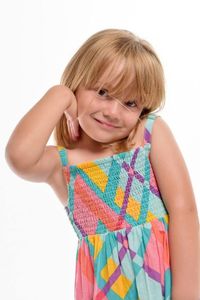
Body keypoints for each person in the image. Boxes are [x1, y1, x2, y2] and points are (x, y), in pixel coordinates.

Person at [5, 28, 200, 300]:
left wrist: (188, 295)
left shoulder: (147, 135)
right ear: (77, 86)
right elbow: (19, 156)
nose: (112, 112)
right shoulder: (62, 165)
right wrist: (60, 94)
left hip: (163, 286)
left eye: (130, 103)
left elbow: (184, 211)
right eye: (103, 92)